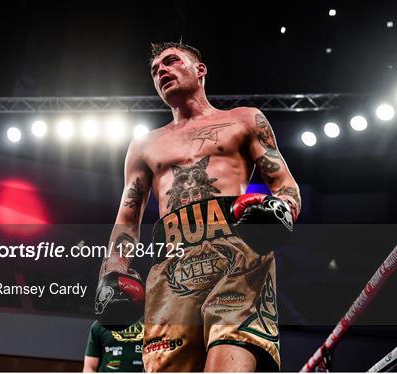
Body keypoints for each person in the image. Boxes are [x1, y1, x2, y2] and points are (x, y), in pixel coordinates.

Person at [97, 41, 301, 372]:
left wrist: (281, 209)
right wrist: (113, 271)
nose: (161, 70)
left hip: (238, 256)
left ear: (200, 70)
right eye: (155, 70)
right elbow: (128, 215)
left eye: (171, 61)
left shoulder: (244, 119)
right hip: (173, 267)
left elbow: (285, 185)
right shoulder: (144, 144)